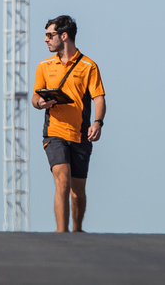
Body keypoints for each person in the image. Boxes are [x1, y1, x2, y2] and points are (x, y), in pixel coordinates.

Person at [32, 14, 105, 233]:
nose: (46, 40)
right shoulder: (44, 66)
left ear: (64, 36)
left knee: (78, 190)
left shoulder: (88, 66)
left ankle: (77, 230)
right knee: (62, 181)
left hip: (81, 134)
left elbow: (99, 98)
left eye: (49, 35)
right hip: (54, 132)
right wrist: (41, 103)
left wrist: (98, 123)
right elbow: (35, 98)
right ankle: (61, 233)